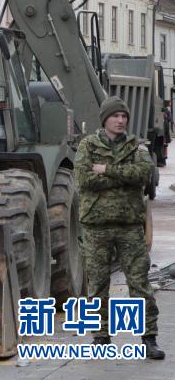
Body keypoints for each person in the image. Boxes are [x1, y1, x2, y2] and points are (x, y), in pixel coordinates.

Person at [74, 96, 164, 359]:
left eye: (124, 116)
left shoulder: (137, 147)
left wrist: (107, 170)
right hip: (96, 227)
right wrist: (123, 176)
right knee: (98, 285)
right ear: (105, 119)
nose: (121, 120)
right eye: (116, 116)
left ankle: (149, 338)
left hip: (129, 226)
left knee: (139, 282)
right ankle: (101, 338)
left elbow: (145, 176)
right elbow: (83, 179)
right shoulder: (88, 145)